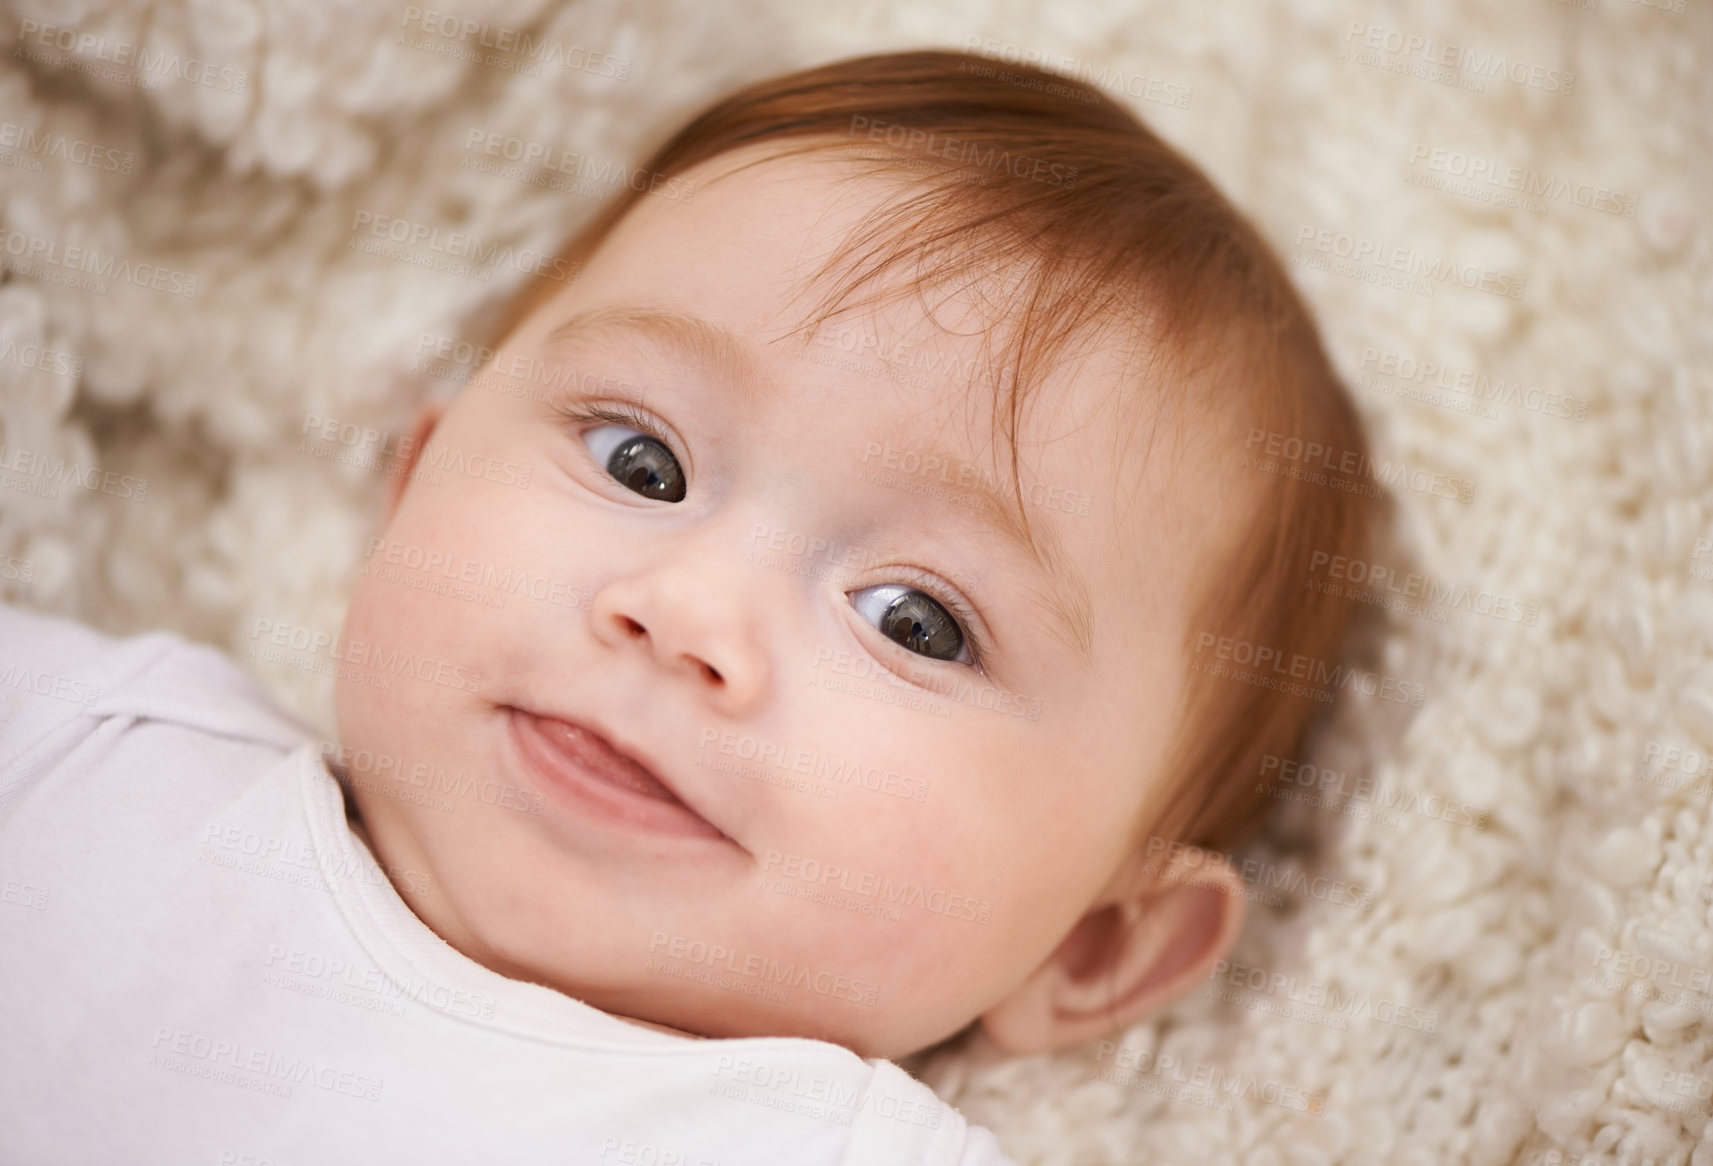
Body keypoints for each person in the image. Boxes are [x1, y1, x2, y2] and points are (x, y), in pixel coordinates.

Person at [0, 49, 1373, 1164]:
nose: (685, 611)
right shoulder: (84, 746)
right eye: (639, 462)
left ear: (1091, 942)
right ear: (414, 480)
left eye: (914, 620)